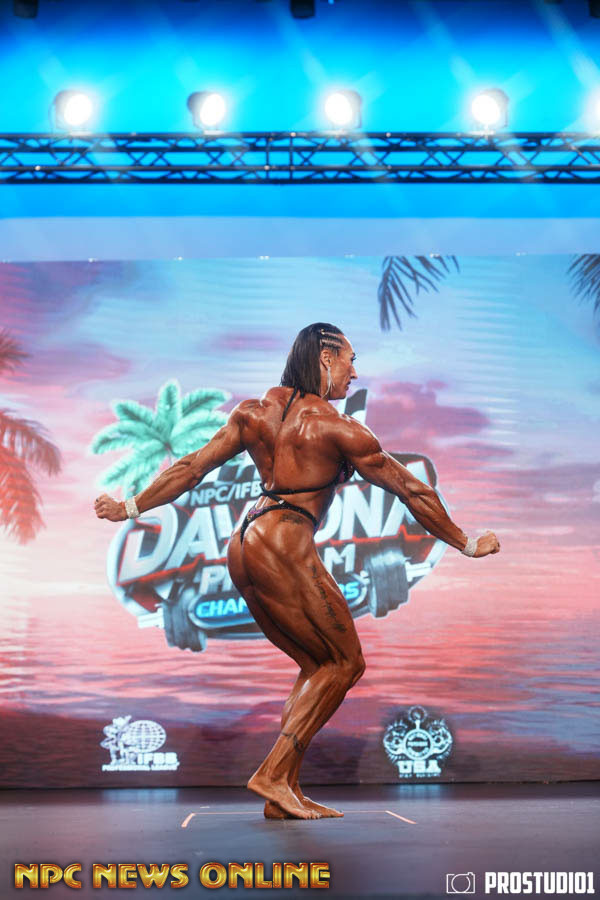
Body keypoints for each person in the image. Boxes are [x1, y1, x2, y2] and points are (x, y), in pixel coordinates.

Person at [94, 322, 500, 820]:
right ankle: (272, 773)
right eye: (350, 360)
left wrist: (129, 506)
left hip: (244, 541)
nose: (354, 373)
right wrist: (465, 543)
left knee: (316, 666)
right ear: (326, 358)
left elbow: (191, 468)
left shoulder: (253, 413)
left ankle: (283, 791)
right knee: (345, 664)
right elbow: (412, 490)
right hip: (284, 543)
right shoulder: (339, 429)